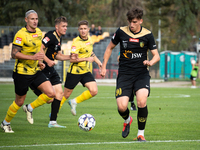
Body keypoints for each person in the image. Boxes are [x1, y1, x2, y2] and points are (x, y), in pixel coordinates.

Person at [100, 7, 160, 141]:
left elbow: (156, 56)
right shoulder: (121, 32)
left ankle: (140, 134)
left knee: (141, 101)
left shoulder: (148, 35)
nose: (131, 25)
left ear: (140, 21)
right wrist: (103, 66)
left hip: (141, 74)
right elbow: (109, 48)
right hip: (125, 74)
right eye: (129, 21)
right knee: (121, 107)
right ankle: (127, 120)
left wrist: (150, 62)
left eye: (134, 22)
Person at [0, 10, 56, 133]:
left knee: (51, 95)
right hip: (22, 73)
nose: (35, 21)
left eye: (36, 19)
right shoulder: (20, 34)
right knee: (19, 101)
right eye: (32, 19)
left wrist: (40, 62)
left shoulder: (39, 32)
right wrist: (32, 58)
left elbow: (38, 52)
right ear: (26, 20)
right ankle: (5, 123)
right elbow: (14, 54)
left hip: (35, 71)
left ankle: (29, 108)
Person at [28, 16, 76, 128]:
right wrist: (48, 60)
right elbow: (39, 48)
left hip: (51, 69)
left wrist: (70, 57)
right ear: (56, 27)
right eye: (63, 26)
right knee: (49, 98)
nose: (65, 28)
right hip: (43, 68)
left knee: (59, 93)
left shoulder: (59, 38)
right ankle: (30, 106)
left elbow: (58, 55)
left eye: (66, 26)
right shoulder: (50, 35)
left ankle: (52, 122)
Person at [59, 20, 102, 116]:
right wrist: (87, 59)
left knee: (94, 90)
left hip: (85, 71)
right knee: (65, 95)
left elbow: (91, 53)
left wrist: (99, 62)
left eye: (85, 29)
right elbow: (72, 60)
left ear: (88, 29)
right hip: (74, 72)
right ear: (78, 29)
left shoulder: (90, 39)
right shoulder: (76, 42)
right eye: (81, 29)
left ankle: (74, 101)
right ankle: (54, 114)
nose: (83, 31)